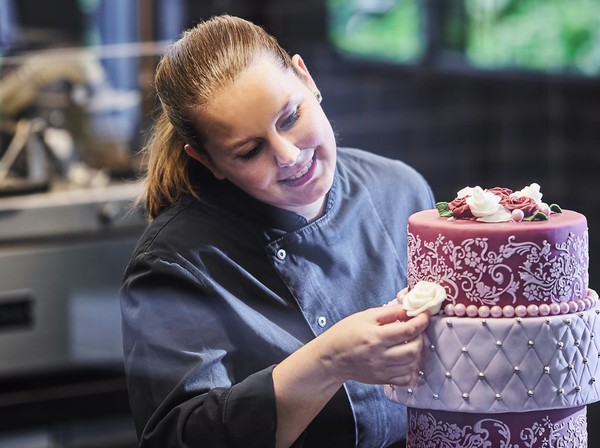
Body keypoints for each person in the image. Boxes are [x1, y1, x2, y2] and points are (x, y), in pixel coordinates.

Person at [120, 15, 435, 448]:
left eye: (290, 118)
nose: (287, 156)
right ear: (208, 161)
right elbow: (178, 439)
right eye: (249, 151)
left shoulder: (400, 189)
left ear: (306, 78)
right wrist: (328, 360)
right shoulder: (176, 262)